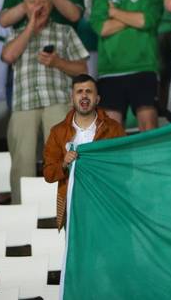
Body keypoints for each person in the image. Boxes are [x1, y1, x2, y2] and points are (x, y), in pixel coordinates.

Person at [1, 0, 89, 201]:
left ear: (51, 5)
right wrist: (31, 26)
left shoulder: (65, 31)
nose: (38, 7)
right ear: (25, 6)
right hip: (24, 103)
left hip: (57, 101)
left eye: (42, 2)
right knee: (22, 161)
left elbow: (82, 69)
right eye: (33, 2)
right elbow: (8, 56)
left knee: (63, 158)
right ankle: (22, 213)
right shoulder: (15, 33)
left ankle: (66, 208)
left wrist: (58, 62)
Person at [91, 0, 163, 130]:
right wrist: (133, 15)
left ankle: (151, 161)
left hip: (144, 67)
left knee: (149, 130)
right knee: (111, 134)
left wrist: (114, 12)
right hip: (110, 71)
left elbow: (147, 21)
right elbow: (102, 28)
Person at [42, 74, 125, 230]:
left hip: (106, 204)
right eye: (79, 91)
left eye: (89, 91)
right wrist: (64, 163)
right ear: (72, 98)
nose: (84, 95)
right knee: (77, 254)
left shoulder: (114, 129)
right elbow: (48, 173)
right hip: (72, 206)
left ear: (98, 98)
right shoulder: (57, 132)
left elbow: (125, 166)